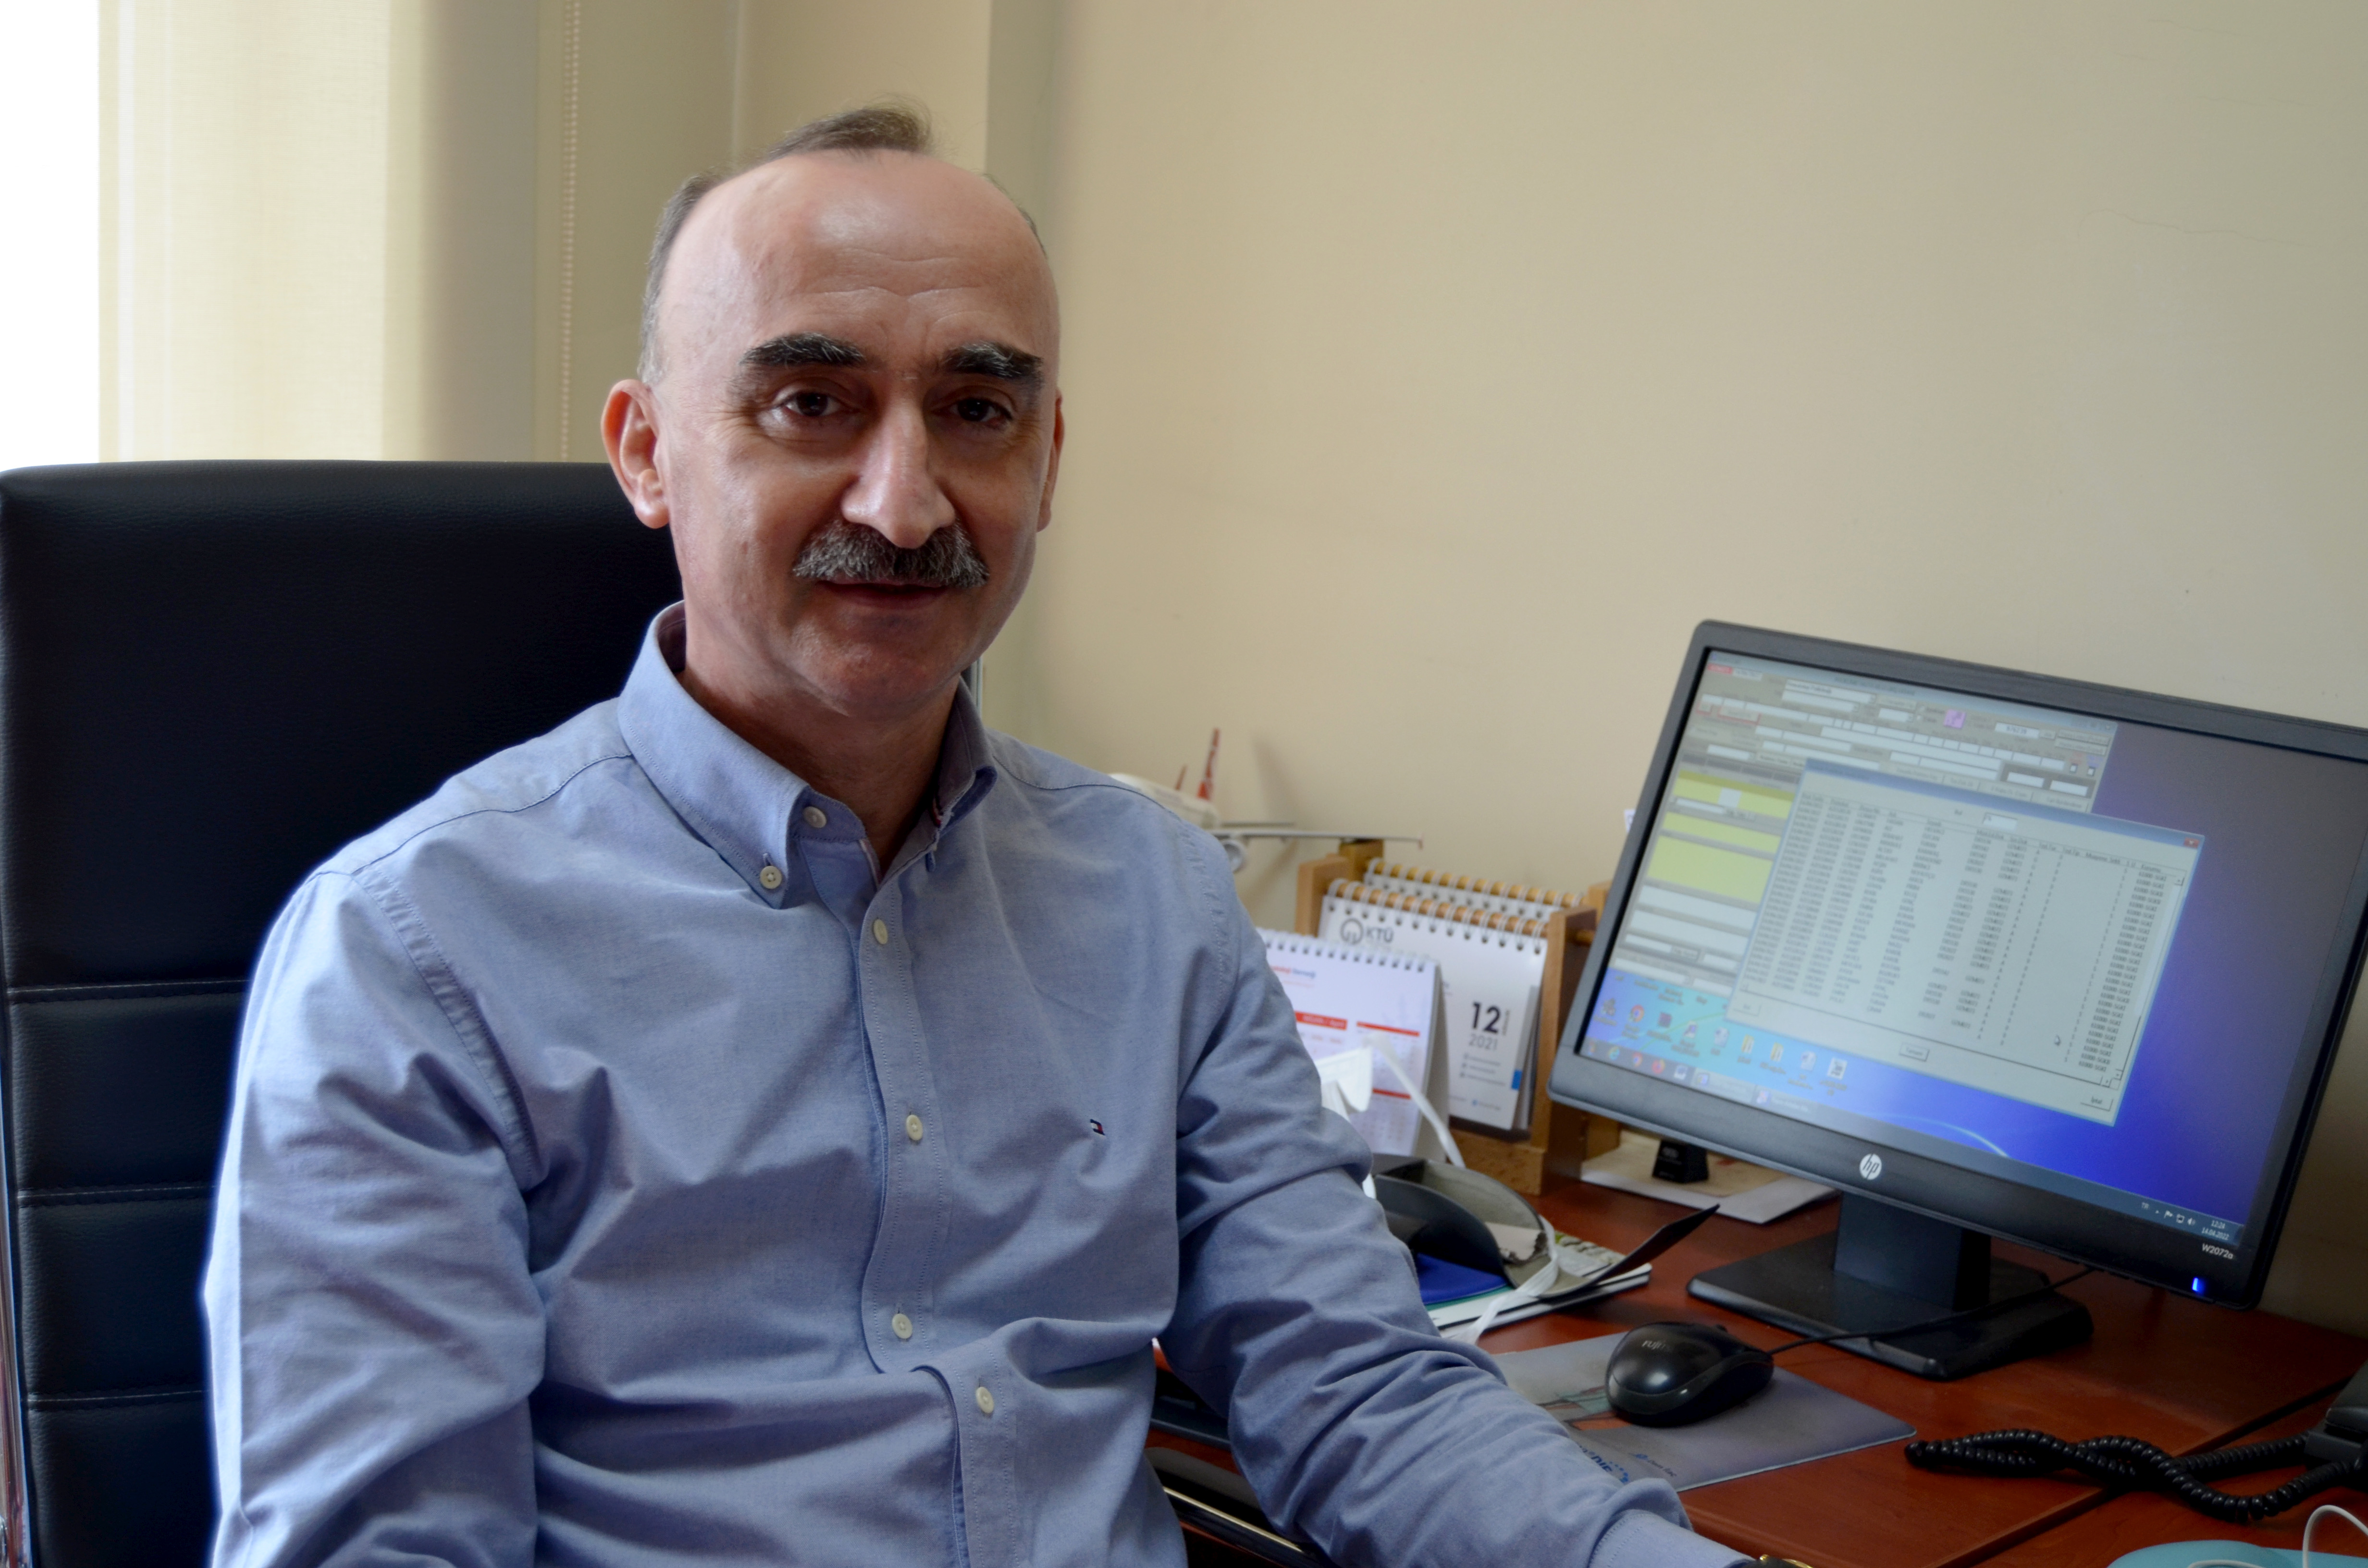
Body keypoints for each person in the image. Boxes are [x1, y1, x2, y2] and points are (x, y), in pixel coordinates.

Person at [204, 106, 1750, 1568]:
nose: (903, 502)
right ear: (647, 452)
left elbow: (1360, 1393)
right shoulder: (415, 952)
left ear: (1048, 460)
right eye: (812, 403)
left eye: (976, 411)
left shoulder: (1153, 897)